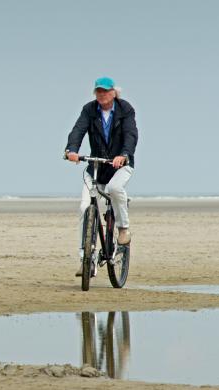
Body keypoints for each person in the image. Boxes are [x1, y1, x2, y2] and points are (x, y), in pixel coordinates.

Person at [65, 76, 138, 276]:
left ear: (114, 92)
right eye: (98, 91)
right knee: (84, 207)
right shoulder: (89, 110)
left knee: (115, 189)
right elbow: (78, 129)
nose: (102, 95)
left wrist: (123, 155)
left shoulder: (125, 110)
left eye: (105, 91)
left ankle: (123, 229)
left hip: (120, 165)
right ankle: (85, 260)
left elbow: (131, 134)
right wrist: (71, 149)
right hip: (96, 166)